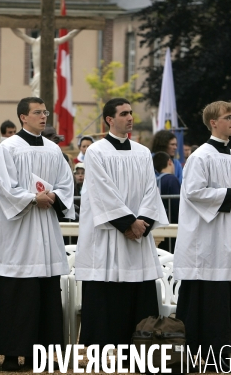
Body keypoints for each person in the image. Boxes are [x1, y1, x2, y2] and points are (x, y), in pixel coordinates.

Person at [0, 97, 74, 371]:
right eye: (37, 113)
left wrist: (54, 196)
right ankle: (11, 354)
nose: (43, 117)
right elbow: (3, 187)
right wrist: (34, 199)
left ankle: (40, 356)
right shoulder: (8, 148)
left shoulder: (53, 149)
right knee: (14, 295)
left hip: (44, 230)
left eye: (45, 112)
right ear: (23, 117)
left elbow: (65, 183)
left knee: (43, 293)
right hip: (16, 234)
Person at [75, 98, 168, 356]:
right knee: (107, 293)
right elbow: (101, 192)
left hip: (138, 237)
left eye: (130, 113)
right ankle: (102, 351)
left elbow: (152, 190)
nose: (130, 118)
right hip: (109, 236)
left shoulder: (142, 152)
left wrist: (142, 224)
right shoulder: (96, 152)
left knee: (138, 293)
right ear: (109, 119)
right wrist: (128, 223)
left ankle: (138, 351)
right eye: (124, 113)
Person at [174, 101, 231, 371]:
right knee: (207, 301)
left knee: (230, 301)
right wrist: (229, 194)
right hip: (207, 243)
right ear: (213, 122)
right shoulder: (201, 157)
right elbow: (194, 193)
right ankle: (197, 356)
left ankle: (226, 356)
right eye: (228, 117)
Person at [11, 28, 81, 99]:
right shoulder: (35, 42)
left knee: (51, 100)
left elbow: (70, 35)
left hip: (49, 76)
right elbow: (20, 34)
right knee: (38, 101)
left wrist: (80, 28)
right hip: (39, 77)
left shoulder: (53, 42)